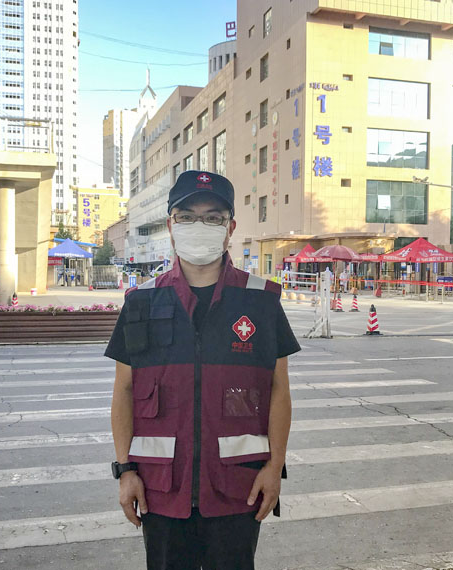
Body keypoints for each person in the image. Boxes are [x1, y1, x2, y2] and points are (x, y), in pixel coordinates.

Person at [105, 170, 300, 570]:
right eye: (188, 216)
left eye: (213, 218)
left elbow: (278, 389)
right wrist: (125, 471)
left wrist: (274, 468)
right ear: (171, 225)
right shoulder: (141, 302)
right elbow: (123, 391)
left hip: (238, 490)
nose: (200, 226)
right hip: (161, 492)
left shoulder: (261, 301)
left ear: (230, 228)